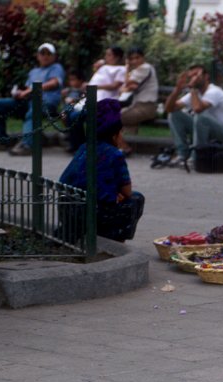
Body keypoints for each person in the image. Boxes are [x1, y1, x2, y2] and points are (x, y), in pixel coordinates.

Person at [59, 98, 145, 242]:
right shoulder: (114, 154)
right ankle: (113, 240)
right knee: (136, 198)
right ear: (115, 134)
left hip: (68, 210)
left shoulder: (84, 147)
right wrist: (115, 194)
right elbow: (127, 192)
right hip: (91, 213)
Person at [0, 42, 65, 156]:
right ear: (38, 56)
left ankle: (27, 145)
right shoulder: (33, 72)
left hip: (46, 103)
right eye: (42, 53)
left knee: (33, 111)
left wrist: (28, 91)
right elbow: (28, 89)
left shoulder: (56, 68)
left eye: (49, 53)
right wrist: (19, 93)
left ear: (54, 56)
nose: (45, 56)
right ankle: (2, 141)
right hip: (28, 101)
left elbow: (54, 83)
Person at [164, 64, 223, 166]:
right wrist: (177, 89)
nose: (194, 78)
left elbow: (198, 109)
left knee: (200, 116)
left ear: (206, 77)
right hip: (206, 132)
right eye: (191, 76)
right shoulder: (195, 93)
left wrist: (192, 88)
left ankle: (196, 157)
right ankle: (182, 155)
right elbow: (169, 109)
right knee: (174, 115)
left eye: (196, 75)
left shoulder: (214, 91)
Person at [65, 46, 127, 153]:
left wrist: (95, 87)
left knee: (76, 116)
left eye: (109, 55)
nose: (106, 57)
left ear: (117, 57)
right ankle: (78, 144)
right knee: (69, 113)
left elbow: (115, 85)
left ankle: (82, 146)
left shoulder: (121, 69)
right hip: (88, 99)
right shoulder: (103, 68)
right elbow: (96, 71)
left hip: (104, 102)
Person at [118, 47, 159, 156]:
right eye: (132, 59)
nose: (135, 61)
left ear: (143, 57)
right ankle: (125, 148)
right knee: (128, 124)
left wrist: (127, 68)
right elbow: (130, 85)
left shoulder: (144, 67)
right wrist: (127, 86)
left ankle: (125, 148)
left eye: (138, 58)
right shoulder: (139, 69)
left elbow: (128, 84)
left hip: (145, 107)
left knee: (110, 118)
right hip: (139, 106)